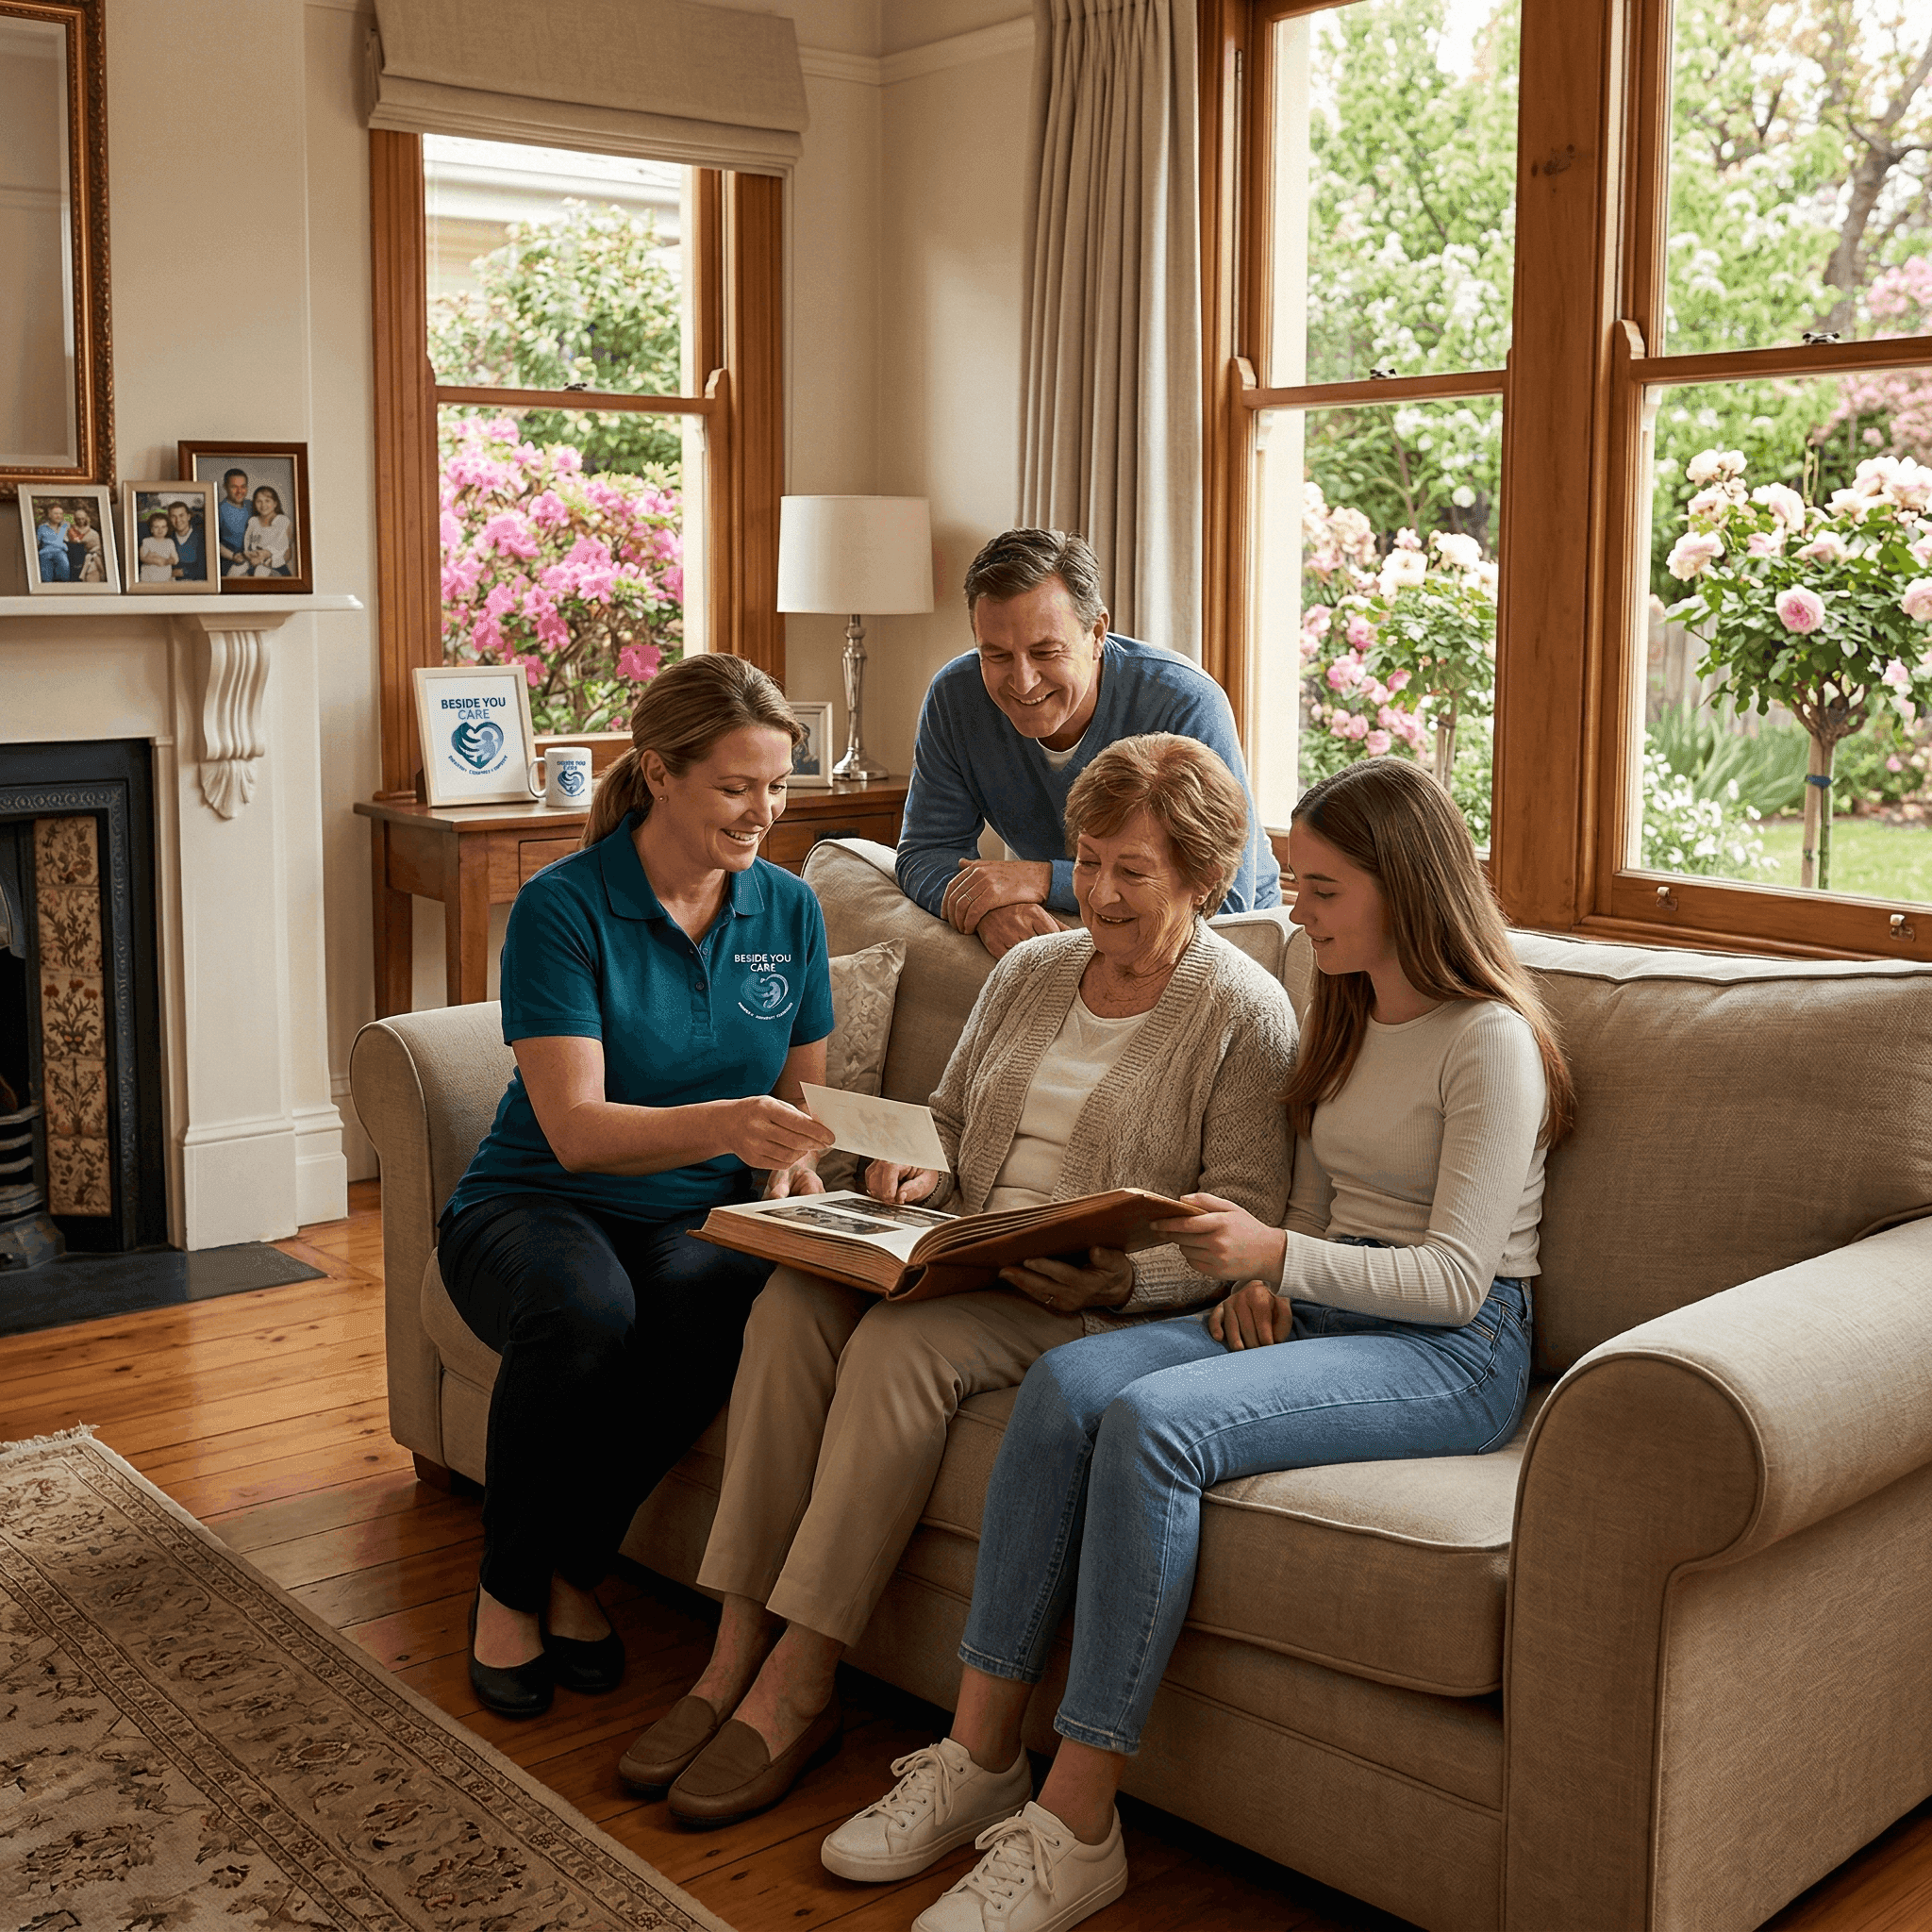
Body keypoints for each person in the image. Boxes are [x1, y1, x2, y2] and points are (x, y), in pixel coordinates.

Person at [838, 756, 1575, 1932]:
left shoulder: (1482, 1037)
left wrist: (1276, 1257)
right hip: (1332, 1308)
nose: (1295, 911)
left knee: (1149, 1421)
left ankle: (1078, 1826)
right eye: (1294, 882)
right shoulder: (1343, 1003)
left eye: (1321, 888)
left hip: (1454, 1349)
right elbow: (1324, 1207)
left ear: (1403, 886)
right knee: (1070, 1381)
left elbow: (1448, 1279)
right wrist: (1269, 1284)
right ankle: (977, 1750)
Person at [624, 733, 1297, 1830]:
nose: (1106, 894)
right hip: (948, 1243)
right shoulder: (1031, 968)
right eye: (1090, 861)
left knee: (897, 1346)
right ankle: (729, 1650)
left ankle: (800, 1681)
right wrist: (911, 1162)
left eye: (1136, 871)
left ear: (1202, 879)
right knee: (792, 1302)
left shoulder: (1242, 1013)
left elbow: (1239, 1213)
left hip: (1069, 1296)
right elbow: (945, 1115)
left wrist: (1117, 1287)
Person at [436, 654, 838, 1722]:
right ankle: (509, 1586)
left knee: (734, 1287)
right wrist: (728, 1123)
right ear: (657, 773)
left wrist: (804, 1168)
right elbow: (573, 1132)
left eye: (778, 787)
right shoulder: (561, 906)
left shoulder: (790, 910)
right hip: (531, 1204)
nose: (763, 811)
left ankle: (572, 1560)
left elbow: (801, 1112)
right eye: (736, 786)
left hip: (696, 1214)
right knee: (585, 1307)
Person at [896, 529, 1280, 958]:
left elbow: (1222, 900)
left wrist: (1044, 879)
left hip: (1231, 939)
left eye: (1046, 652)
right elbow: (925, 853)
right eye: (997, 655)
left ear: (1097, 633)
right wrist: (985, 911)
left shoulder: (1184, 701)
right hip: (1080, 919)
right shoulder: (956, 696)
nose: (1023, 682)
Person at [242, 484, 293, 576]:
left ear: (275, 503)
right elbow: (247, 542)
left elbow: (283, 547)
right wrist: (249, 554)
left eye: (267, 501)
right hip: (255, 563)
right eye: (259, 501)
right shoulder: (253, 522)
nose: (263, 505)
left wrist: (265, 556)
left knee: (261, 571)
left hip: (276, 566)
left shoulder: (282, 521)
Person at [216, 468, 251, 575]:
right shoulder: (218, 510)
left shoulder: (252, 505)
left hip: (252, 560)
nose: (239, 491)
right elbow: (212, 542)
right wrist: (232, 556)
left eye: (243, 487)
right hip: (230, 562)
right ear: (225, 487)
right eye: (234, 487)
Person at [167, 500, 207, 581]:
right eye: (173, 516)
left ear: (188, 516)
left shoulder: (201, 537)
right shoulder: (168, 539)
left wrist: (184, 571)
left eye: (181, 515)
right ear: (169, 519)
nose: (177, 520)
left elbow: (205, 568)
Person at [65, 505, 107, 583]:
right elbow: (73, 544)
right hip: (76, 558)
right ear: (75, 519)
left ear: (86, 519)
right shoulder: (72, 531)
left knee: (92, 567)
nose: (81, 521)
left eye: (82, 519)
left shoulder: (93, 533)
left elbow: (98, 547)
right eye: (78, 519)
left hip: (91, 557)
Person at [137, 512, 177, 584]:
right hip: (148, 579)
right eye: (156, 527)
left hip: (165, 578)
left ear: (167, 529)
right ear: (151, 529)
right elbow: (142, 557)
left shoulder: (169, 542)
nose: (160, 530)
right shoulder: (147, 541)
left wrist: (165, 561)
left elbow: (175, 560)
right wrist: (154, 560)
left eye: (163, 527)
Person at [35, 503, 71, 582]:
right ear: (49, 515)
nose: (59, 516)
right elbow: (36, 543)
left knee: (65, 572)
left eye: (60, 514)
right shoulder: (42, 527)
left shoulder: (66, 525)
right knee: (46, 578)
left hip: (60, 551)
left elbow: (75, 535)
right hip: (45, 553)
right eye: (56, 514)